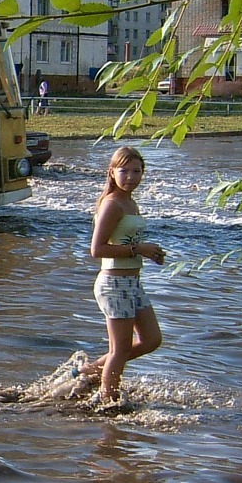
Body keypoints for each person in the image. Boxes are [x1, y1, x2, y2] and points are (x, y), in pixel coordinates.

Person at [82, 147, 165, 404]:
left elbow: (126, 241)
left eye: (136, 171)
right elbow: (97, 249)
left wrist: (150, 253)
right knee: (120, 349)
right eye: (124, 171)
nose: (131, 176)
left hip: (132, 282)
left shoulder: (130, 202)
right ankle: (108, 401)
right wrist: (138, 249)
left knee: (151, 340)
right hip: (114, 283)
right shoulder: (112, 204)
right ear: (112, 172)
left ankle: (88, 373)